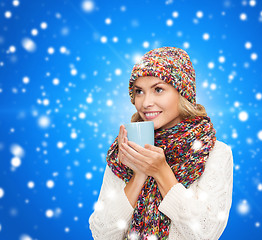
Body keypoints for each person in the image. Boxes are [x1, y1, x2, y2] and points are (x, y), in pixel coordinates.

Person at [89, 47, 233, 240]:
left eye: (158, 89)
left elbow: (204, 233)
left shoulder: (214, 152)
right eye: (139, 91)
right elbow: (101, 234)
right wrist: (139, 174)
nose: (146, 102)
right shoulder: (125, 149)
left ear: (183, 93)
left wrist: (160, 171)